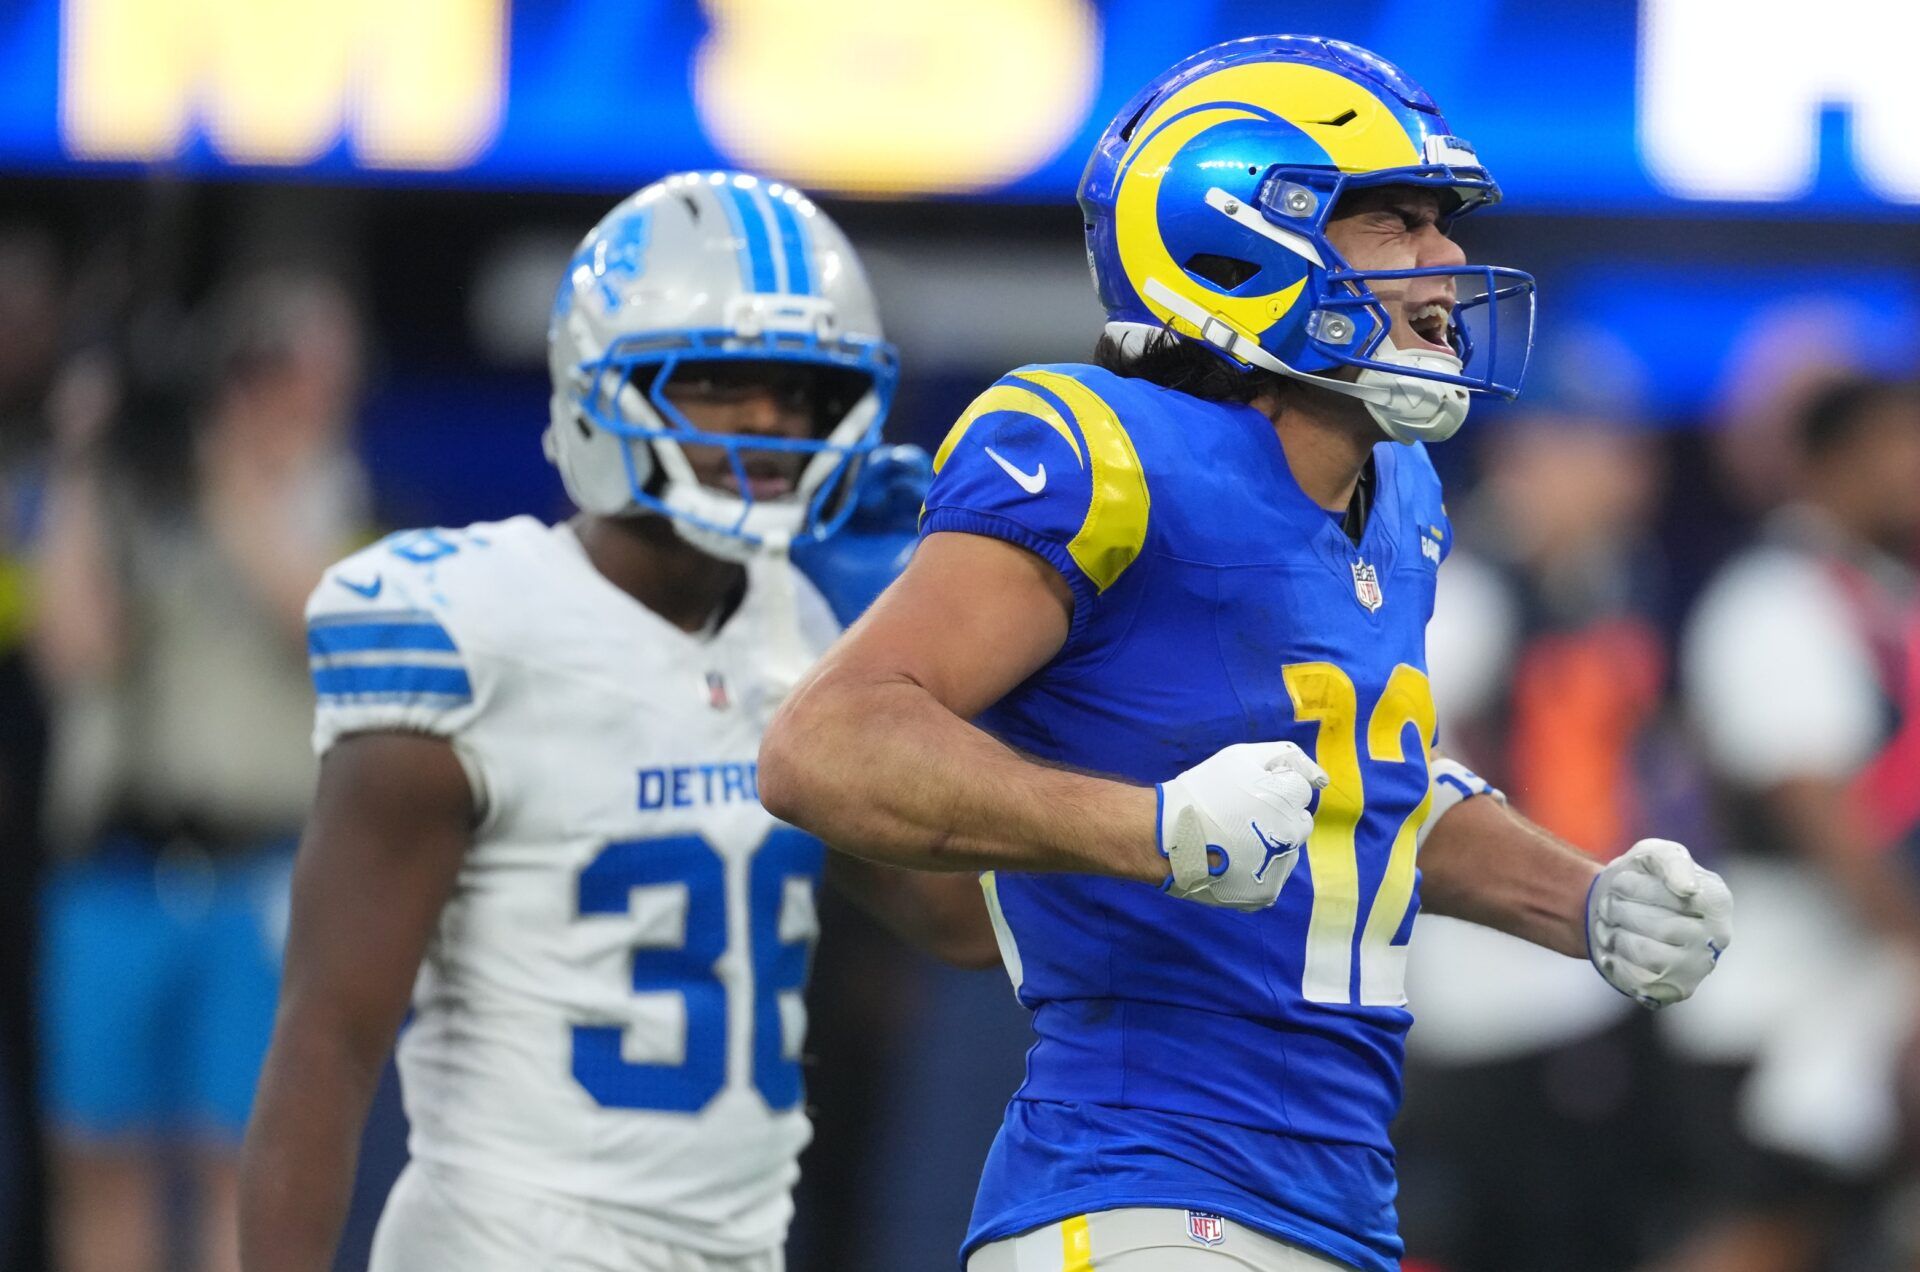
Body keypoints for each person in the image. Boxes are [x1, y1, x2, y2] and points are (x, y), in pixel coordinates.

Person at [758, 36, 1733, 1272]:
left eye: (1441, 223)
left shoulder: (1401, 495)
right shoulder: (1097, 445)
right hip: (1139, 1191)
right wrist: (1149, 829)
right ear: (1231, 238)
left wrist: (1583, 901)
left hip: (1331, 1203)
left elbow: (1364, 781)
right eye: (1393, 222)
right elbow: (822, 743)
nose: (1445, 263)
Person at [238, 171, 994, 1272]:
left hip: (737, 1248)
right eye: (726, 387)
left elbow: (964, 926)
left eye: (800, 392)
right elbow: (325, 1045)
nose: (774, 427)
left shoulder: (815, 631)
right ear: (602, 391)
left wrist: (919, 665)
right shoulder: (473, 629)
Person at [35, 270, 371, 1272]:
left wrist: (230, 470)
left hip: (259, 878)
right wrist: (83, 463)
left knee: (244, 1164)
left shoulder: (343, 494)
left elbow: (309, 621)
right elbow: (75, 650)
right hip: (118, 868)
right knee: (99, 1157)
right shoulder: (128, 494)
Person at [1668, 375, 1920, 1272]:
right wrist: (1911, 938)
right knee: (1765, 1229)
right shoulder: (1775, 601)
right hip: (1770, 992)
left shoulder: (1886, 596)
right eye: (1893, 445)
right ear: (1821, 467)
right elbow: (1818, 810)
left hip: (1861, 983)